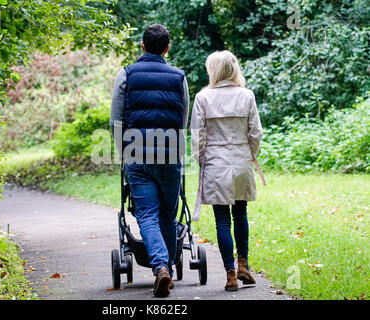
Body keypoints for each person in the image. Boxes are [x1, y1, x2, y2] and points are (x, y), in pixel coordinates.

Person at [110, 24, 190, 297]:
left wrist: (122, 151)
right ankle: (165, 265)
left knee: (147, 214)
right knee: (168, 214)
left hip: (137, 154)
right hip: (170, 153)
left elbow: (116, 120)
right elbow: (183, 119)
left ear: (142, 46)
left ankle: (161, 268)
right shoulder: (179, 77)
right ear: (167, 48)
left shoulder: (126, 74)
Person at [190, 50, 263, 291]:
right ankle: (244, 265)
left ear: (213, 70)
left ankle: (231, 275)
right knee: (240, 214)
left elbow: (197, 136)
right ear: (233, 70)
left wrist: (202, 159)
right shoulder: (247, 95)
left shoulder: (203, 98)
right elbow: (256, 133)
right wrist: (249, 152)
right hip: (241, 159)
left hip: (215, 162)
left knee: (222, 220)